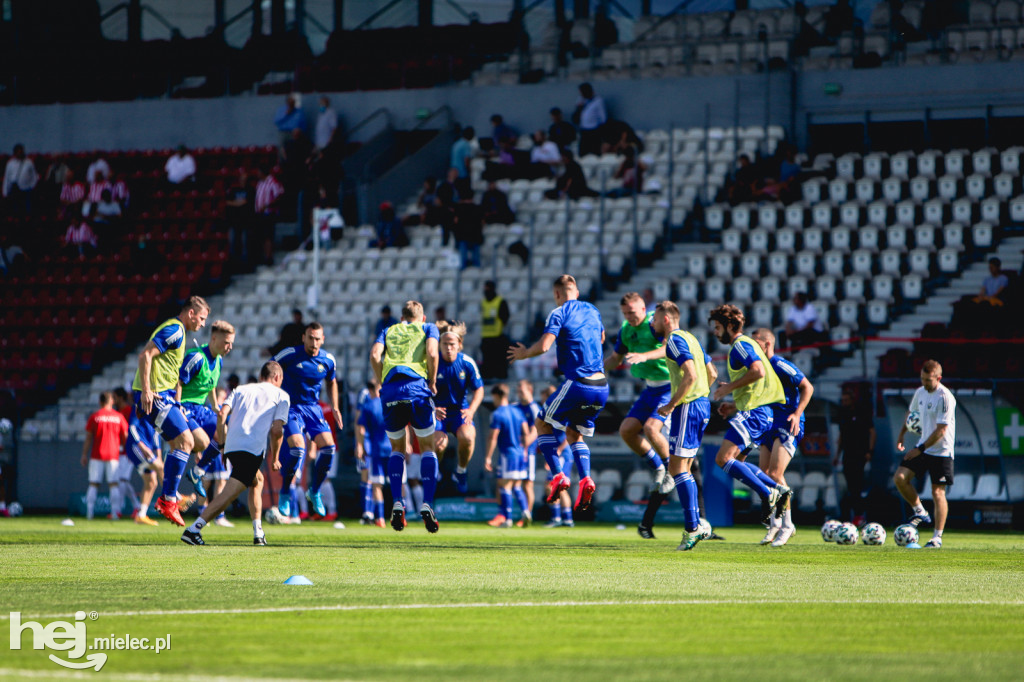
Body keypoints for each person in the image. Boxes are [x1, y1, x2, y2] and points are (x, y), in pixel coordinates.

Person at [508, 275, 607, 513]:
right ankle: (585, 479)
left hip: (579, 382)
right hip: (602, 385)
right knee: (574, 433)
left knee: (541, 423)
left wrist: (524, 354)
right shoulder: (593, 310)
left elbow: (543, 346)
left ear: (557, 294)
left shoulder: (558, 312)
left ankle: (558, 476)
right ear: (577, 291)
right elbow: (602, 338)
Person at [625, 302, 717, 549]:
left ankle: (692, 528)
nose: (651, 323)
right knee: (683, 467)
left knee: (676, 468)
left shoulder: (675, 340)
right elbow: (713, 373)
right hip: (700, 405)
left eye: (654, 319)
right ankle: (694, 525)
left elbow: (691, 375)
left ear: (666, 319)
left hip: (688, 406)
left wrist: (673, 404)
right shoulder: (692, 338)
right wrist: (702, 396)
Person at [181, 362, 290, 546]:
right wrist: (277, 456)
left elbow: (222, 414)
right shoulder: (281, 395)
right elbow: (277, 430)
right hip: (252, 450)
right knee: (228, 494)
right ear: (278, 377)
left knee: (257, 480)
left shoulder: (241, 389)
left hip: (232, 447)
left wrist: (222, 443)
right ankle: (194, 530)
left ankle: (258, 533)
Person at [708, 304, 791, 526]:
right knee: (735, 461)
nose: (715, 332)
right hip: (758, 412)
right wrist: (734, 402)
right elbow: (756, 383)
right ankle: (778, 489)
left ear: (729, 326)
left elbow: (758, 371)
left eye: (717, 327)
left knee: (723, 459)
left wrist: (727, 388)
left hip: (756, 413)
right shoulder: (745, 346)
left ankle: (767, 493)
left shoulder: (740, 345)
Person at [133, 296, 211, 526]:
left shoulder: (180, 333)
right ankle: (169, 499)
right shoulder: (175, 330)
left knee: (198, 441)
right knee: (185, 441)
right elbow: (146, 355)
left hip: (165, 396)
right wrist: (146, 391)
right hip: (155, 395)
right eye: (202, 318)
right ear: (191, 314)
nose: (203, 324)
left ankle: (171, 495)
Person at [369, 300, 441, 532]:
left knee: (397, 450)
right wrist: (431, 380)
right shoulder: (428, 327)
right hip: (417, 388)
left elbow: (374, 355)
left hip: (390, 391)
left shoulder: (388, 329)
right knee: (428, 447)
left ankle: (397, 502)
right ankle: (427, 503)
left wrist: (382, 382)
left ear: (402, 318)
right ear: (422, 317)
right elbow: (432, 352)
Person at [744, 328, 814, 547]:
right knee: (765, 475)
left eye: (756, 343)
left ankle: (788, 524)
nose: (753, 348)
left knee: (775, 473)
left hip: (787, 424)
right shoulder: (759, 369)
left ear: (767, 344)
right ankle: (774, 524)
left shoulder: (780, 364)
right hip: (768, 424)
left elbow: (807, 387)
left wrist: (797, 413)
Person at [603, 293, 674, 504]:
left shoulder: (655, 323)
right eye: (625, 314)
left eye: (632, 313)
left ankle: (671, 470)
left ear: (644, 309)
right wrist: (593, 369)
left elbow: (668, 348)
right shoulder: (626, 329)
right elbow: (616, 359)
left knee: (652, 429)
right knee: (627, 431)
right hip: (650, 389)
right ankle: (659, 467)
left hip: (670, 386)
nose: (629, 317)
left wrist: (644, 356)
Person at [272, 322, 343, 519]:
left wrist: (335, 406)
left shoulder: (328, 360)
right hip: (291, 407)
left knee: (329, 448)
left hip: (313, 408)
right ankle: (285, 491)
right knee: (298, 448)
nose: (314, 342)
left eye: (317, 338)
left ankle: (315, 491)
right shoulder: (289, 354)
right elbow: (270, 369)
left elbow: (332, 381)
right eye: (310, 338)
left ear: (323, 339)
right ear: (303, 337)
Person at [893, 360, 956, 548]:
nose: (924, 383)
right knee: (900, 478)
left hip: (941, 451)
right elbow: (911, 414)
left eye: (928, 380)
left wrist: (918, 449)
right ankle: (920, 511)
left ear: (938, 378)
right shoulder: (920, 392)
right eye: (922, 379)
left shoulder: (945, 397)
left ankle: (937, 537)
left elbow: (941, 431)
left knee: (937, 492)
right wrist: (902, 435)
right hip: (923, 447)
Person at [178, 321, 236, 526]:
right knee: (202, 442)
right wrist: (176, 407)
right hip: (185, 405)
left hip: (202, 408)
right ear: (214, 339)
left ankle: (198, 472)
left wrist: (216, 407)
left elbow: (212, 386)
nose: (229, 347)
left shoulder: (218, 360)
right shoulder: (196, 357)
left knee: (223, 431)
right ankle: (173, 492)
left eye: (231, 343)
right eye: (226, 342)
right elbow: (179, 382)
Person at [434, 322, 484, 494]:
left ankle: (461, 471)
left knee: (468, 437)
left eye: (452, 344)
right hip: (438, 412)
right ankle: (436, 471)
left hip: (459, 412)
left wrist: (471, 410)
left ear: (460, 344)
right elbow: (421, 390)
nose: (448, 348)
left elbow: (479, 389)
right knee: (439, 445)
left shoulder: (467, 363)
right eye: (444, 344)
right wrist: (432, 408)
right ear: (439, 345)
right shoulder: (432, 363)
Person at [484, 384, 533, 527]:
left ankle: (508, 518)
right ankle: (525, 511)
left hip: (507, 454)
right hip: (520, 453)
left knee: (504, 486)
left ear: (497, 396)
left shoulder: (498, 414)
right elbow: (525, 431)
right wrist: (524, 449)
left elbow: (493, 437)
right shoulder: (518, 411)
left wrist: (488, 457)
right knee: (517, 486)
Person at [81, 392, 129, 520]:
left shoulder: (95, 416)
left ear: (100, 402)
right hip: (113, 455)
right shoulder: (119, 417)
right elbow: (125, 437)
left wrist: (84, 454)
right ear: (111, 401)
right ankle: (114, 513)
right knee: (113, 484)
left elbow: (88, 438)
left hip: (97, 455)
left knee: (93, 484)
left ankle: (89, 513)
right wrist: (128, 451)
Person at [835, 389, 876, 527]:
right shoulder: (843, 414)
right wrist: (837, 455)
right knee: (850, 486)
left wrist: (870, 451)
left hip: (860, 454)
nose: (844, 403)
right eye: (843, 400)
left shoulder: (862, 413)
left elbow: (872, 432)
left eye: (846, 400)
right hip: (847, 455)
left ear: (852, 400)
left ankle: (861, 516)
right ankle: (850, 516)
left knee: (858, 485)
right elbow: (841, 436)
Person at [356, 380, 390, 527]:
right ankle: (402, 515)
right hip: (394, 448)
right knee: (399, 483)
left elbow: (360, 426)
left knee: (375, 483)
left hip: (375, 449)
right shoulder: (392, 402)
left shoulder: (368, 405)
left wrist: (360, 445)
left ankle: (379, 517)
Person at [121, 413, 164, 526]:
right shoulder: (139, 407)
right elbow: (132, 428)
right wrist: (141, 445)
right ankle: (174, 498)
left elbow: (156, 435)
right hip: (136, 447)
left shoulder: (158, 412)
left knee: (151, 482)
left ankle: (141, 515)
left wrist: (158, 456)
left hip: (147, 448)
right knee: (160, 468)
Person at [513, 379, 541, 525]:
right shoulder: (515, 407)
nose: (519, 393)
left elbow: (535, 432)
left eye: (522, 390)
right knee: (512, 483)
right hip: (516, 452)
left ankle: (527, 516)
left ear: (529, 391)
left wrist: (523, 448)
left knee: (527, 484)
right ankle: (509, 514)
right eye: (518, 391)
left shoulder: (534, 408)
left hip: (528, 453)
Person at [480, 280, 511, 380]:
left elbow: (505, 317)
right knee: (487, 365)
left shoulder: (500, 301)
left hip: (497, 337)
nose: (486, 291)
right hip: (486, 337)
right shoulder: (483, 302)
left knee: (498, 363)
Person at [452, 179, 483, 268]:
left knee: (463, 262)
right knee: (476, 261)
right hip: (475, 235)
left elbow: (456, 221)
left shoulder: (459, 208)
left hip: (463, 236)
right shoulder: (477, 208)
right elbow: (481, 222)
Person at [3, 143, 39, 215]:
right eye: (18, 152)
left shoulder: (29, 162)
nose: (20, 154)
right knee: (15, 210)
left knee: (27, 210)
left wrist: (31, 186)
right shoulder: (10, 164)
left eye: (21, 152)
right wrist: (5, 192)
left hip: (26, 189)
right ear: (15, 153)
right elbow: (7, 178)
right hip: (14, 188)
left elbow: (35, 176)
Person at [573, 83, 607, 157]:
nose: (582, 95)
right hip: (584, 130)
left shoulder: (598, 101)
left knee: (595, 151)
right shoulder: (581, 100)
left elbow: (603, 118)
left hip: (594, 130)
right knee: (582, 153)